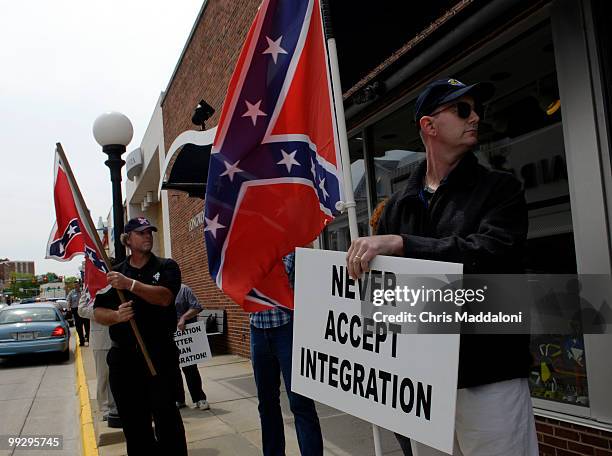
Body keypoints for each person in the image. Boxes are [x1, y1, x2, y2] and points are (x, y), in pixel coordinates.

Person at [346, 78, 538, 456]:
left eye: (476, 109)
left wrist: (405, 244)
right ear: (429, 126)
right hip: (422, 382)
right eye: (462, 109)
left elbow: (491, 253)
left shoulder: (500, 189)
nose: (475, 117)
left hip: (489, 376)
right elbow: (383, 300)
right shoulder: (398, 206)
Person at [93, 217, 187, 456]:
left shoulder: (166, 266)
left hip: (159, 356)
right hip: (125, 360)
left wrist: (130, 284)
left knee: (168, 422)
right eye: (141, 233)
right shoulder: (115, 274)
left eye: (149, 232)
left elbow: (165, 297)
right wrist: (116, 316)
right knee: (135, 427)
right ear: (127, 239)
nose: (147, 236)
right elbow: (98, 311)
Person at [251, 252, 324, 456]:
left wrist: (251, 271)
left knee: (300, 402)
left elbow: (281, 274)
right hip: (257, 328)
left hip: (287, 328)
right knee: (267, 404)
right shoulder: (245, 243)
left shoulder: (284, 241)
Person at [78, 283, 121, 427]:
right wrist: (102, 313)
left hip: (122, 336)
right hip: (101, 338)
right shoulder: (90, 285)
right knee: (104, 375)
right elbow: (82, 310)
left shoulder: (118, 281)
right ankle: (106, 409)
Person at [175, 283, 209, 410]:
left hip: (186, 334)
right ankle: (179, 399)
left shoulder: (184, 290)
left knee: (190, 368)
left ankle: (200, 398)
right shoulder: (160, 290)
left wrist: (184, 317)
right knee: (172, 370)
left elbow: (196, 307)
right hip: (169, 335)